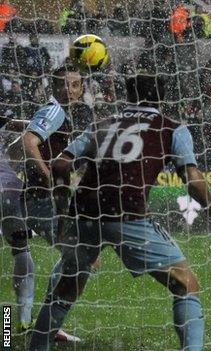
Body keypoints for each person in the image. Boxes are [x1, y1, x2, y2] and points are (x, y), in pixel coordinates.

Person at [28, 74, 211, 351]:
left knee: (67, 288)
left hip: (85, 214)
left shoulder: (102, 124)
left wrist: (63, 213)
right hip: (126, 213)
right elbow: (191, 177)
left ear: (129, 96)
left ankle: (35, 345)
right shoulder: (171, 128)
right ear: (162, 97)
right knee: (185, 283)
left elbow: (61, 165)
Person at [4, 65, 84, 343]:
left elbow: (16, 148)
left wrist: (15, 171)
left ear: (82, 90)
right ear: (53, 87)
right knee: (78, 255)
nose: (69, 90)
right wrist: (51, 178)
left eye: (74, 85)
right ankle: (48, 326)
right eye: (64, 84)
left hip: (22, 198)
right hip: (42, 202)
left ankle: (20, 325)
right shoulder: (54, 111)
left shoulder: (52, 115)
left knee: (21, 253)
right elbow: (28, 142)